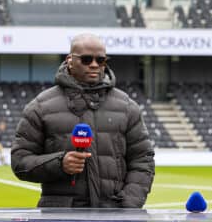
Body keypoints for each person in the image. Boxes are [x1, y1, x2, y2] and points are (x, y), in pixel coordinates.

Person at [11, 33, 155, 208]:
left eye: (100, 60)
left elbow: (142, 160)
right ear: (70, 60)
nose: (94, 65)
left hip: (114, 218)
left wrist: (128, 206)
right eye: (86, 59)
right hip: (60, 220)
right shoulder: (40, 107)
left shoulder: (127, 106)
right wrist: (60, 163)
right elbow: (20, 161)